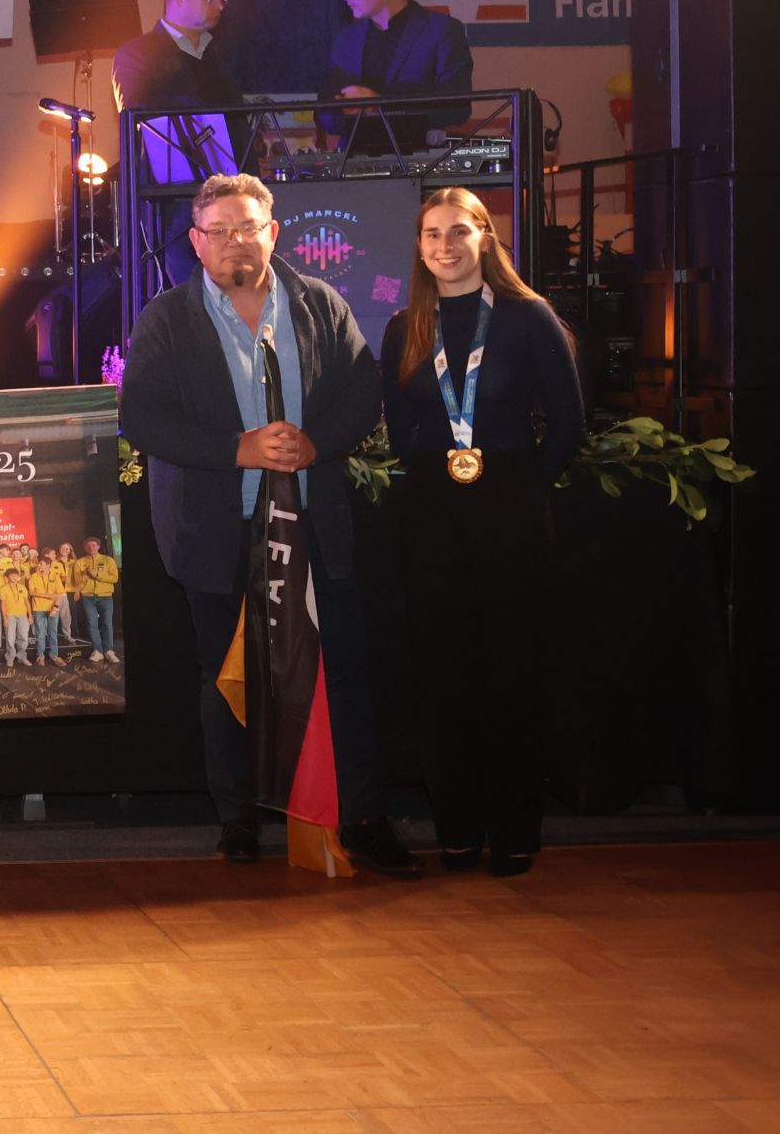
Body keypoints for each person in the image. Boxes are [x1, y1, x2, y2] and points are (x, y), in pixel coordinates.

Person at [118, 173, 416, 877]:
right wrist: (238, 449)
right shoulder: (167, 317)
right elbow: (143, 417)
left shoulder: (321, 304)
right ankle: (238, 819)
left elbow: (362, 393)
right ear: (196, 243)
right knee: (227, 678)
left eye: (247, 227)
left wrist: (317, 444)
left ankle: (361, 816)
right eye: (218, 231)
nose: (234, 242)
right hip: (215, 532)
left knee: (340, 676)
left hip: (313, 525)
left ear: (272, 233)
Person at [380, 187, 585, 877]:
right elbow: (401, 429)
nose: (445, 245)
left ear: (485, 238)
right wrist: (443, 477)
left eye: (458, 231)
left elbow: (569, 426)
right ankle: (459, 833)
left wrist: (517, 484)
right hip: (431, 515)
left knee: (513, 674)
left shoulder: (528, 317)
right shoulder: (405, 325)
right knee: (443, 678)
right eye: (432, 234)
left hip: (511, 512)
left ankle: (515, 833)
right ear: (419, 247)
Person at [323, 0, 475, 146]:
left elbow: (456, 108)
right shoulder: (347, 38)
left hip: (418, 158)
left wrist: (380, 104)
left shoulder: (442, 31)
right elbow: (325, 109)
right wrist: (347, 112)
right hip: (353, 158)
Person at [112, 0, 241, 183]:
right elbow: (139, 117)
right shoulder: (136, 53)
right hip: (169, 190)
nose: (220, 6)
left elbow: (238, 123)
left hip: (228, 186)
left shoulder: (221, 55)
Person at [75, 536, 121, 662]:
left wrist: (97, 575)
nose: (91, 548)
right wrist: (84, 578)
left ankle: (109, 651)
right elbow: (77, 582)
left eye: (94, 545)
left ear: (98, 546)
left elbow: (114, 578)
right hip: (88, 597)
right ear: (85, 548)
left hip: (105, 596)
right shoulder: (80, 562)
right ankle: (97, 651)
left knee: (107, 623)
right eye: (88, 546)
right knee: (91, 623)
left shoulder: (108, 560)